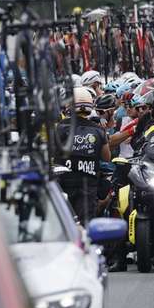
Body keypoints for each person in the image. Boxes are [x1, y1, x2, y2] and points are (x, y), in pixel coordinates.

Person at [54, 87, 111, 225]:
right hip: (88, 186)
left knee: (64, 224)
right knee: (85, 226)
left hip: (63, 185)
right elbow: (106, 158)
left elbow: (51, 152)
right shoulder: (99, 130)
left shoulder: (59, 127)